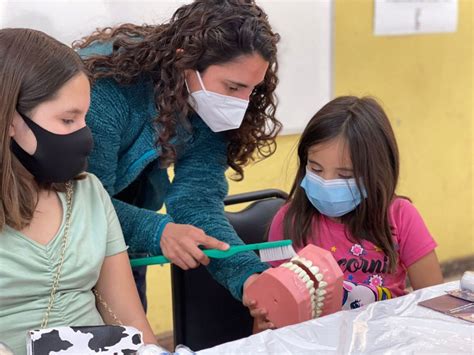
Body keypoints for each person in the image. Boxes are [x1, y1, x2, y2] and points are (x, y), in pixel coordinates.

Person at [74, 0, 281, 317]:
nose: (240, 103)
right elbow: (80, 201)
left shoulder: (206, 102)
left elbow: (196, 200)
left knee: (130, 336)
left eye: (251, 91)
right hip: (66, 231)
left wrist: (249, 277)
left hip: (127, 221)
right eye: (233, 87)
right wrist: (158, 231)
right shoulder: (105, 87)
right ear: (186, 61)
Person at [0, 28, 157, 354]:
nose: (86, 137)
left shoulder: (89, 193)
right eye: (68, 120)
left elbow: (133, 325)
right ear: (10, 120)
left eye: (84, 118)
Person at [268, 96, 444, 312]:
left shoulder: (400, 216)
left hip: (386, 339)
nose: (327, 183)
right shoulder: (289, 221)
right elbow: (273, 311)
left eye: (344, 175)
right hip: (316, 342)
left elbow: (434, 300)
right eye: (315, 169)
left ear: (375, 172)